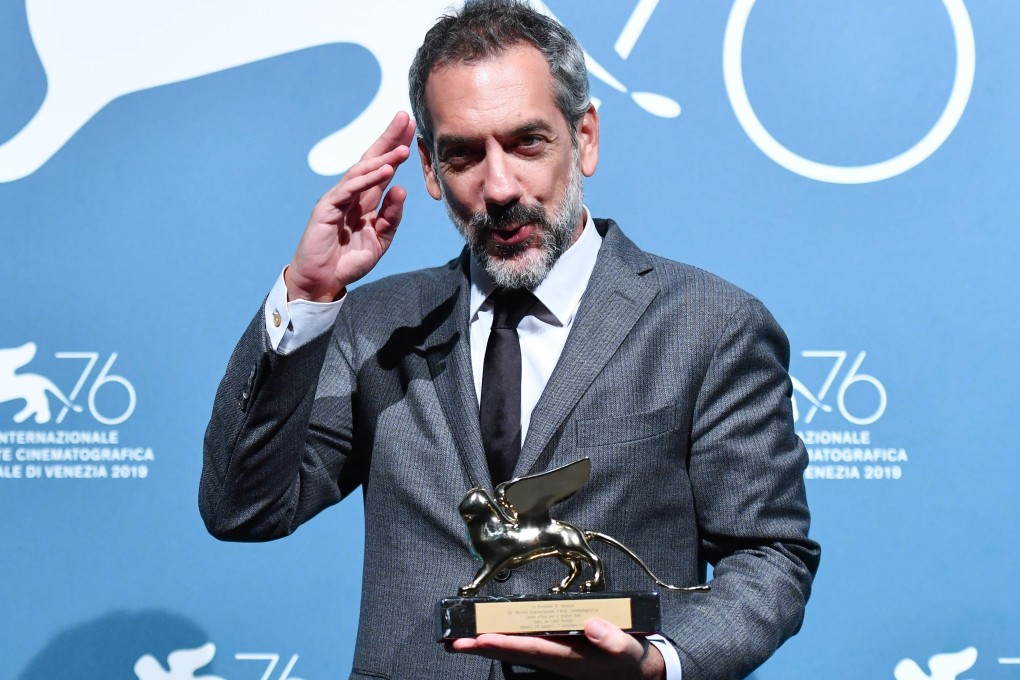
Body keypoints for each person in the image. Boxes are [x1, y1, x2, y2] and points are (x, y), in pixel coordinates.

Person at [199, 1, 820, 678]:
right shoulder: (374, 326)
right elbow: (243, 509)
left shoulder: (711, 325)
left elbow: (769, 557)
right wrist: (308, 295)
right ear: (430, 170)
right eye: (464, 155)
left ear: (584, 138)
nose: (498, 187)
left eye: (527, 143)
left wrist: (658, 664)